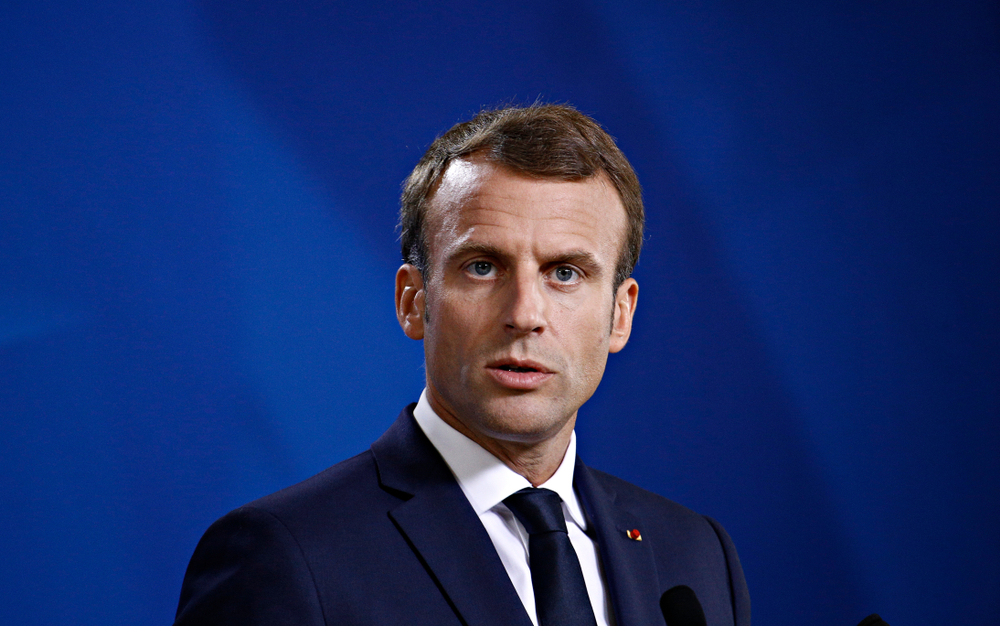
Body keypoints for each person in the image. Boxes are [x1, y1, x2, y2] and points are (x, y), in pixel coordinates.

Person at [174, 104, 751, 626]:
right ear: (413, 301)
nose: (524, 314)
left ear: (620, 315)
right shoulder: (285, 556)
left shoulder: (696, 555)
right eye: (482, 267)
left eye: (565, 273)